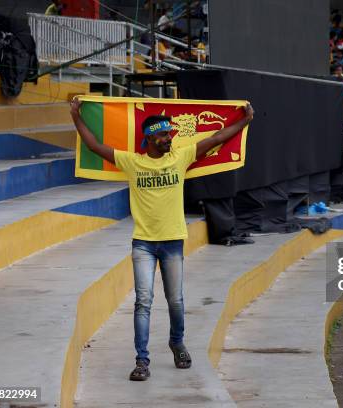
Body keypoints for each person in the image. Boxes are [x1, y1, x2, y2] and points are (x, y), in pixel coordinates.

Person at [70, 97, 255, 381]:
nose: (169, 137)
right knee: (143, 302)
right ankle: (142, 361)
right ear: (149, 138)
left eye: (169, 133)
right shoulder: (132, 162)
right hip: (143, 243)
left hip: (173, 242)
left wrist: (244, 121)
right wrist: (76, 117)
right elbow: (95, 146)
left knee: (175, 301)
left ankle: (177, 343)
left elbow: (217, 137)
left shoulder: (180, 157)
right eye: (163, 134)